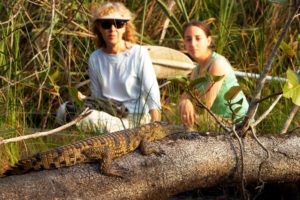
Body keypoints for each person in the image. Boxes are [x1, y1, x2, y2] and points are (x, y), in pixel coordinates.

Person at [58, 2, 161, 132]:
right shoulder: (95, 58)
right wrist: (83, 99)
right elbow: (97, 98)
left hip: (135, 119)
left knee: (90, 120)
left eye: (118, 23)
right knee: (63, 110)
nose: (112, 29)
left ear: (125, 27)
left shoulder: (139, 53)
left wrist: (155, 125)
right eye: (106, 24)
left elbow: (152, 92)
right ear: (99, 28)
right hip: (108, 114)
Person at [179, 19, 249, 128]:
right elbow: (184, 96)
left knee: (183, 125)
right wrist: (185, 102)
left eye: (198, 38)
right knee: (176, 117)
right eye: (188, 39)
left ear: (208, 40)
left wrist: (188, 103)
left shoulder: (217, 64)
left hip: (236, 123)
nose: (193, 44)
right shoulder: (196, 70)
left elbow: (205, 106)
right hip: (215, 120)